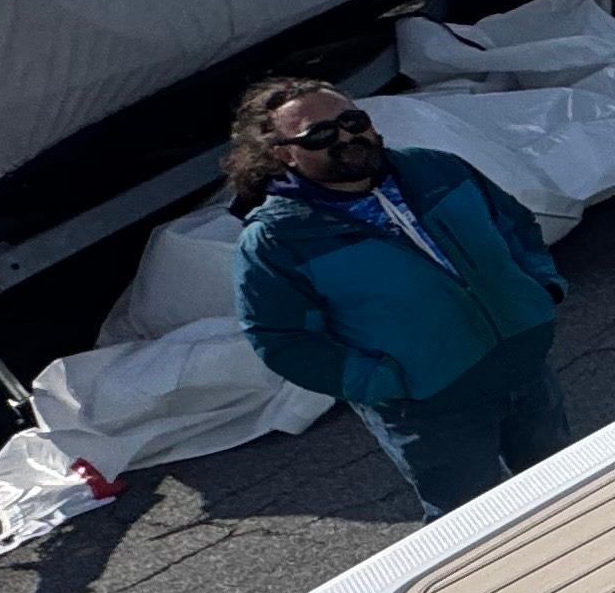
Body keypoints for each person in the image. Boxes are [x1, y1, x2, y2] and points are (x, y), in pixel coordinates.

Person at [228, 76, 574, 516]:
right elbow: (280, 338)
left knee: (567, 492)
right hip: (430, 409)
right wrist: (385, 382)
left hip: (524, 369)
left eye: (353, 121)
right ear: (283, 154)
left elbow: (515, 224)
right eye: (320, 134)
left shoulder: (437, 170)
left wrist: (541, 287)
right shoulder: (277, 240)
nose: (346, 137)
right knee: (472, 525)